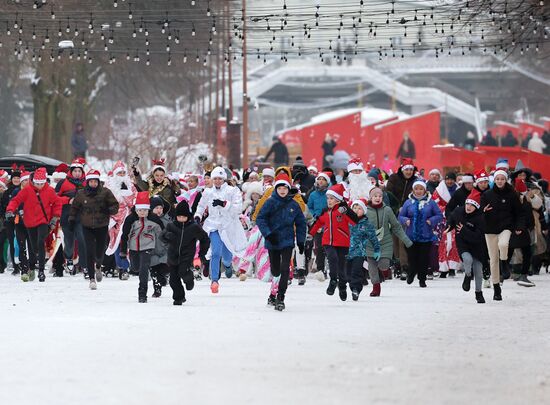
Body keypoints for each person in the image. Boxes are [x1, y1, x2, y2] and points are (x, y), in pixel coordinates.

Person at [256, 173, 307, 311]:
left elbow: (301, 224)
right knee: (275, 270)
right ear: (276, 189)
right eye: (279, 188)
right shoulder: (270, 202)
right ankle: (272, 293)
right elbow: (260, 218)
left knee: (285, 269)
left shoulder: (294, 205)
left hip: (287, 241)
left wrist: (301, 241)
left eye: (285, 188)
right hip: (272, 240)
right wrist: (268, 234)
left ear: (289, 189)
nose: (282, 191)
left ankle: (280, 297)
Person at [195, 167, 247, 294]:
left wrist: (224, 204)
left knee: (227, 256)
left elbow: (238, 208)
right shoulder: (207, 192)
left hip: (228, 226)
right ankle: (214, 281)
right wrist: (197, 216)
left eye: (220, 178)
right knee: (215, 252)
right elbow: (201, 206)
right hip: (213, 225)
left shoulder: (232, 191)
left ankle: (228, 265)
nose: (217, 181)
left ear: (224, 179)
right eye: (215, 179)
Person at [6, 168, 62, 283]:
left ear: (45, 182)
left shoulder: (50, 191)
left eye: (42, 184)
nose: (40, 186)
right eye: (37, 183)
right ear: (33, 182)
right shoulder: (27, 190)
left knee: (40, 242)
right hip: (29, 222)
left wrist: (55, 217)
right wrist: (10, 210)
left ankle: (41, 271)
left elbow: (57, 202)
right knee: (34, 247)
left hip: (43, 221)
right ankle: (32, 266)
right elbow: (16, 200)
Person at [69, 169, 119, 290]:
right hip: (86, 226)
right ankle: (92, 279)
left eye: (95, 181)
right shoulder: (81, 194)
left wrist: (108, 210)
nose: (93, 184)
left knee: (99, 251)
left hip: (101, 225)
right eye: (91, 181)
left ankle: (98, 266)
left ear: (98, 181)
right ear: (87, 182)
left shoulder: (106, 192)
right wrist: (71, 219)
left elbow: (115, 205)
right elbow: (75, 207)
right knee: (89, 251)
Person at [309, 184, 359, 301]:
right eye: (328, 198)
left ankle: (342, 286)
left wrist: (347, 210)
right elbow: (318, 223)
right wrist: (310, 234)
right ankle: (332, 281)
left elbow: (354, 221)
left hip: (342, 242)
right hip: (327, 241)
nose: (329, 201)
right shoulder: (325, 211)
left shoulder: (343, 210)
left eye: (332, 198)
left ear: (338, 200)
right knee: (332, 258)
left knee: (342, 267)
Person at [480, 169, 523, 301]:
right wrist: (483, 211)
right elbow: (479, 213)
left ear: (506, 180)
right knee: (493, 259)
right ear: (494, 180)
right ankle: (496, 288)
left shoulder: (512, 194)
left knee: (503, 244)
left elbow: (519, 213)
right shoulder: (487, 194)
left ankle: (504, 262)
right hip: (490, 229)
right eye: (497, 179)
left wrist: (519, 226)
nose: (500, 181)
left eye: (502, 179)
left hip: (506, 226)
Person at [161, 201, 210, 305]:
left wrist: (202, 253)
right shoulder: (171, 226)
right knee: (173, 280)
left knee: (183, 272)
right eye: (179, 217)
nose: (181, 219)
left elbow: (205, 239)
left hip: (186, 256)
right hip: (173, 256)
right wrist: (168, 236)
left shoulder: (194, 227)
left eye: (184, 217)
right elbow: (162, 236)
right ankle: (179, 297)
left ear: (188, 216)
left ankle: (189, 279)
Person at [365, 188, 412, 296]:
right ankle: (376, 287)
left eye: (380, 196)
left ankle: (385, 271)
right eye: (375, 196)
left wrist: (406, 240)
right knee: (372, 268)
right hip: (370, 243)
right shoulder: (366, 210)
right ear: (371, 198)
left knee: (383, 264)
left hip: (385, 242)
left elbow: (396, 227)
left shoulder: (387, 210)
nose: (378, 198)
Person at [118, 192, 163, 303]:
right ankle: (134, 269)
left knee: (144, 268)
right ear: (136, 210)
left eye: (145, 210)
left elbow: (162, 232)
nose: (142, 213)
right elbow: (125, 235)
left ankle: (142, 294)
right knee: (135, 268)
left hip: (148, 247)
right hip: (133, 248)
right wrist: (123, 251)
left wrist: (167, 241)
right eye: (140, 210)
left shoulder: (154, 219)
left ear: (149, 210)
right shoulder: (130, 219)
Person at [398, 179, 443, 287]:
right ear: (413, 190)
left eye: (421, 189)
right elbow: (400, 216)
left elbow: (439, 215)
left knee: (423, 258)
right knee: (412, 257)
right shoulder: (408, 202)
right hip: (410, 236)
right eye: (416, 189)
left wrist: (431, 221)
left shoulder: (430, 202)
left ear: (425, 190)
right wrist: (405, 220)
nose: (418, 191)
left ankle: (422, 279)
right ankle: (411, 273)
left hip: (425, 236)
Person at [447, 189, 487, 303]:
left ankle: (478, 293)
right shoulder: (459, 211)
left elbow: (478, 237)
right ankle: (468, 276)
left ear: (477, 207)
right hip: (463, 243)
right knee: (467, 259)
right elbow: (452, 218)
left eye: (472, 205)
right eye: (467, 204)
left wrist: (464, 230)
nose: (468, 207)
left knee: (478, 271)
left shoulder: (480, 218)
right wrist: (449, 226)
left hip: (478, 246)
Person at [386, 158, 418, 280]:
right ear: (402, 169)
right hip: (394, 212)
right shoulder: (394, 178)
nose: (409, 172)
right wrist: (396, 207)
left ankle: (405, 266)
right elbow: (388, 193)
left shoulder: (415, 181)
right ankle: (397, 264)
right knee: (394, 239)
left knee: (403, 239)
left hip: (407, 214)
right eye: (407, 169)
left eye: (411, 170)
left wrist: (405, 208)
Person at [104, 161, 138, 277]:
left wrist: (126, 194)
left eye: (124, 173)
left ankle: (128, 267)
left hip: (128, 216)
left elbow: (134, 200)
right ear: (114, 174)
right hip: (113, 218)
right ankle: (122, 268)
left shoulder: (130, 185)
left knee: (127, 241)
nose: (122, 175)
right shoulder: (108, 186)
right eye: (119, 173)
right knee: (116, 242)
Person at [56, 158, 88, 275]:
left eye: (79, 171)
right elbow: (55, 199)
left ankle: (85, 266)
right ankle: (69, 258)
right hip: (67, 217)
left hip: (82, 217)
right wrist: (68, 200)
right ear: (71, 171)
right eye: (75, 171)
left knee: (82, 240)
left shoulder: (86, 183)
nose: (77, 173)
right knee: (69, 242)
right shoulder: (62, 183)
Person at [346, 198, 380, 301]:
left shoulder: (366, 224)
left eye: (359, 208)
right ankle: (350, 285)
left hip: (359, 253)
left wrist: (377, 249)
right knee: (347, 274)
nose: (356, 210)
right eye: (354, 208)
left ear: (364, 210)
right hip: (346, 252)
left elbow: (373, 238)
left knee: (356, 272)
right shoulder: (347, 222)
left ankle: (356, 289)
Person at [508, 179, 535, 287]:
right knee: (524, 253)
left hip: (520, 230)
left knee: (510, 253)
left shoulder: (524, 200)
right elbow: (525, 216)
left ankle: (503, 273)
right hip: (518, 230)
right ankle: (522, 275)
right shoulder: (522, 201)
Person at [306, 172, 331, 278]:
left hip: (329, 222)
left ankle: (332, 268)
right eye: (319, 179)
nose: (320, 181)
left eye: (323, 179)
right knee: (319, 247)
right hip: (317, 223)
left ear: (327, 182)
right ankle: (321, 269)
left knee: (329, 247)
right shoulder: (313, 194)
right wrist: (313, 215)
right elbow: (309, 207)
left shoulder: (330, 193)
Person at [149, 196, 171, 296]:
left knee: (163, 269)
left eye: (161, 208)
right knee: (154, 272)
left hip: (165, 250)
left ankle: (165, 277)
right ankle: (157, 290)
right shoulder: (148, 221)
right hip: (152, 251)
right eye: (156, 208)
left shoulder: (167, 220)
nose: (159, 210)